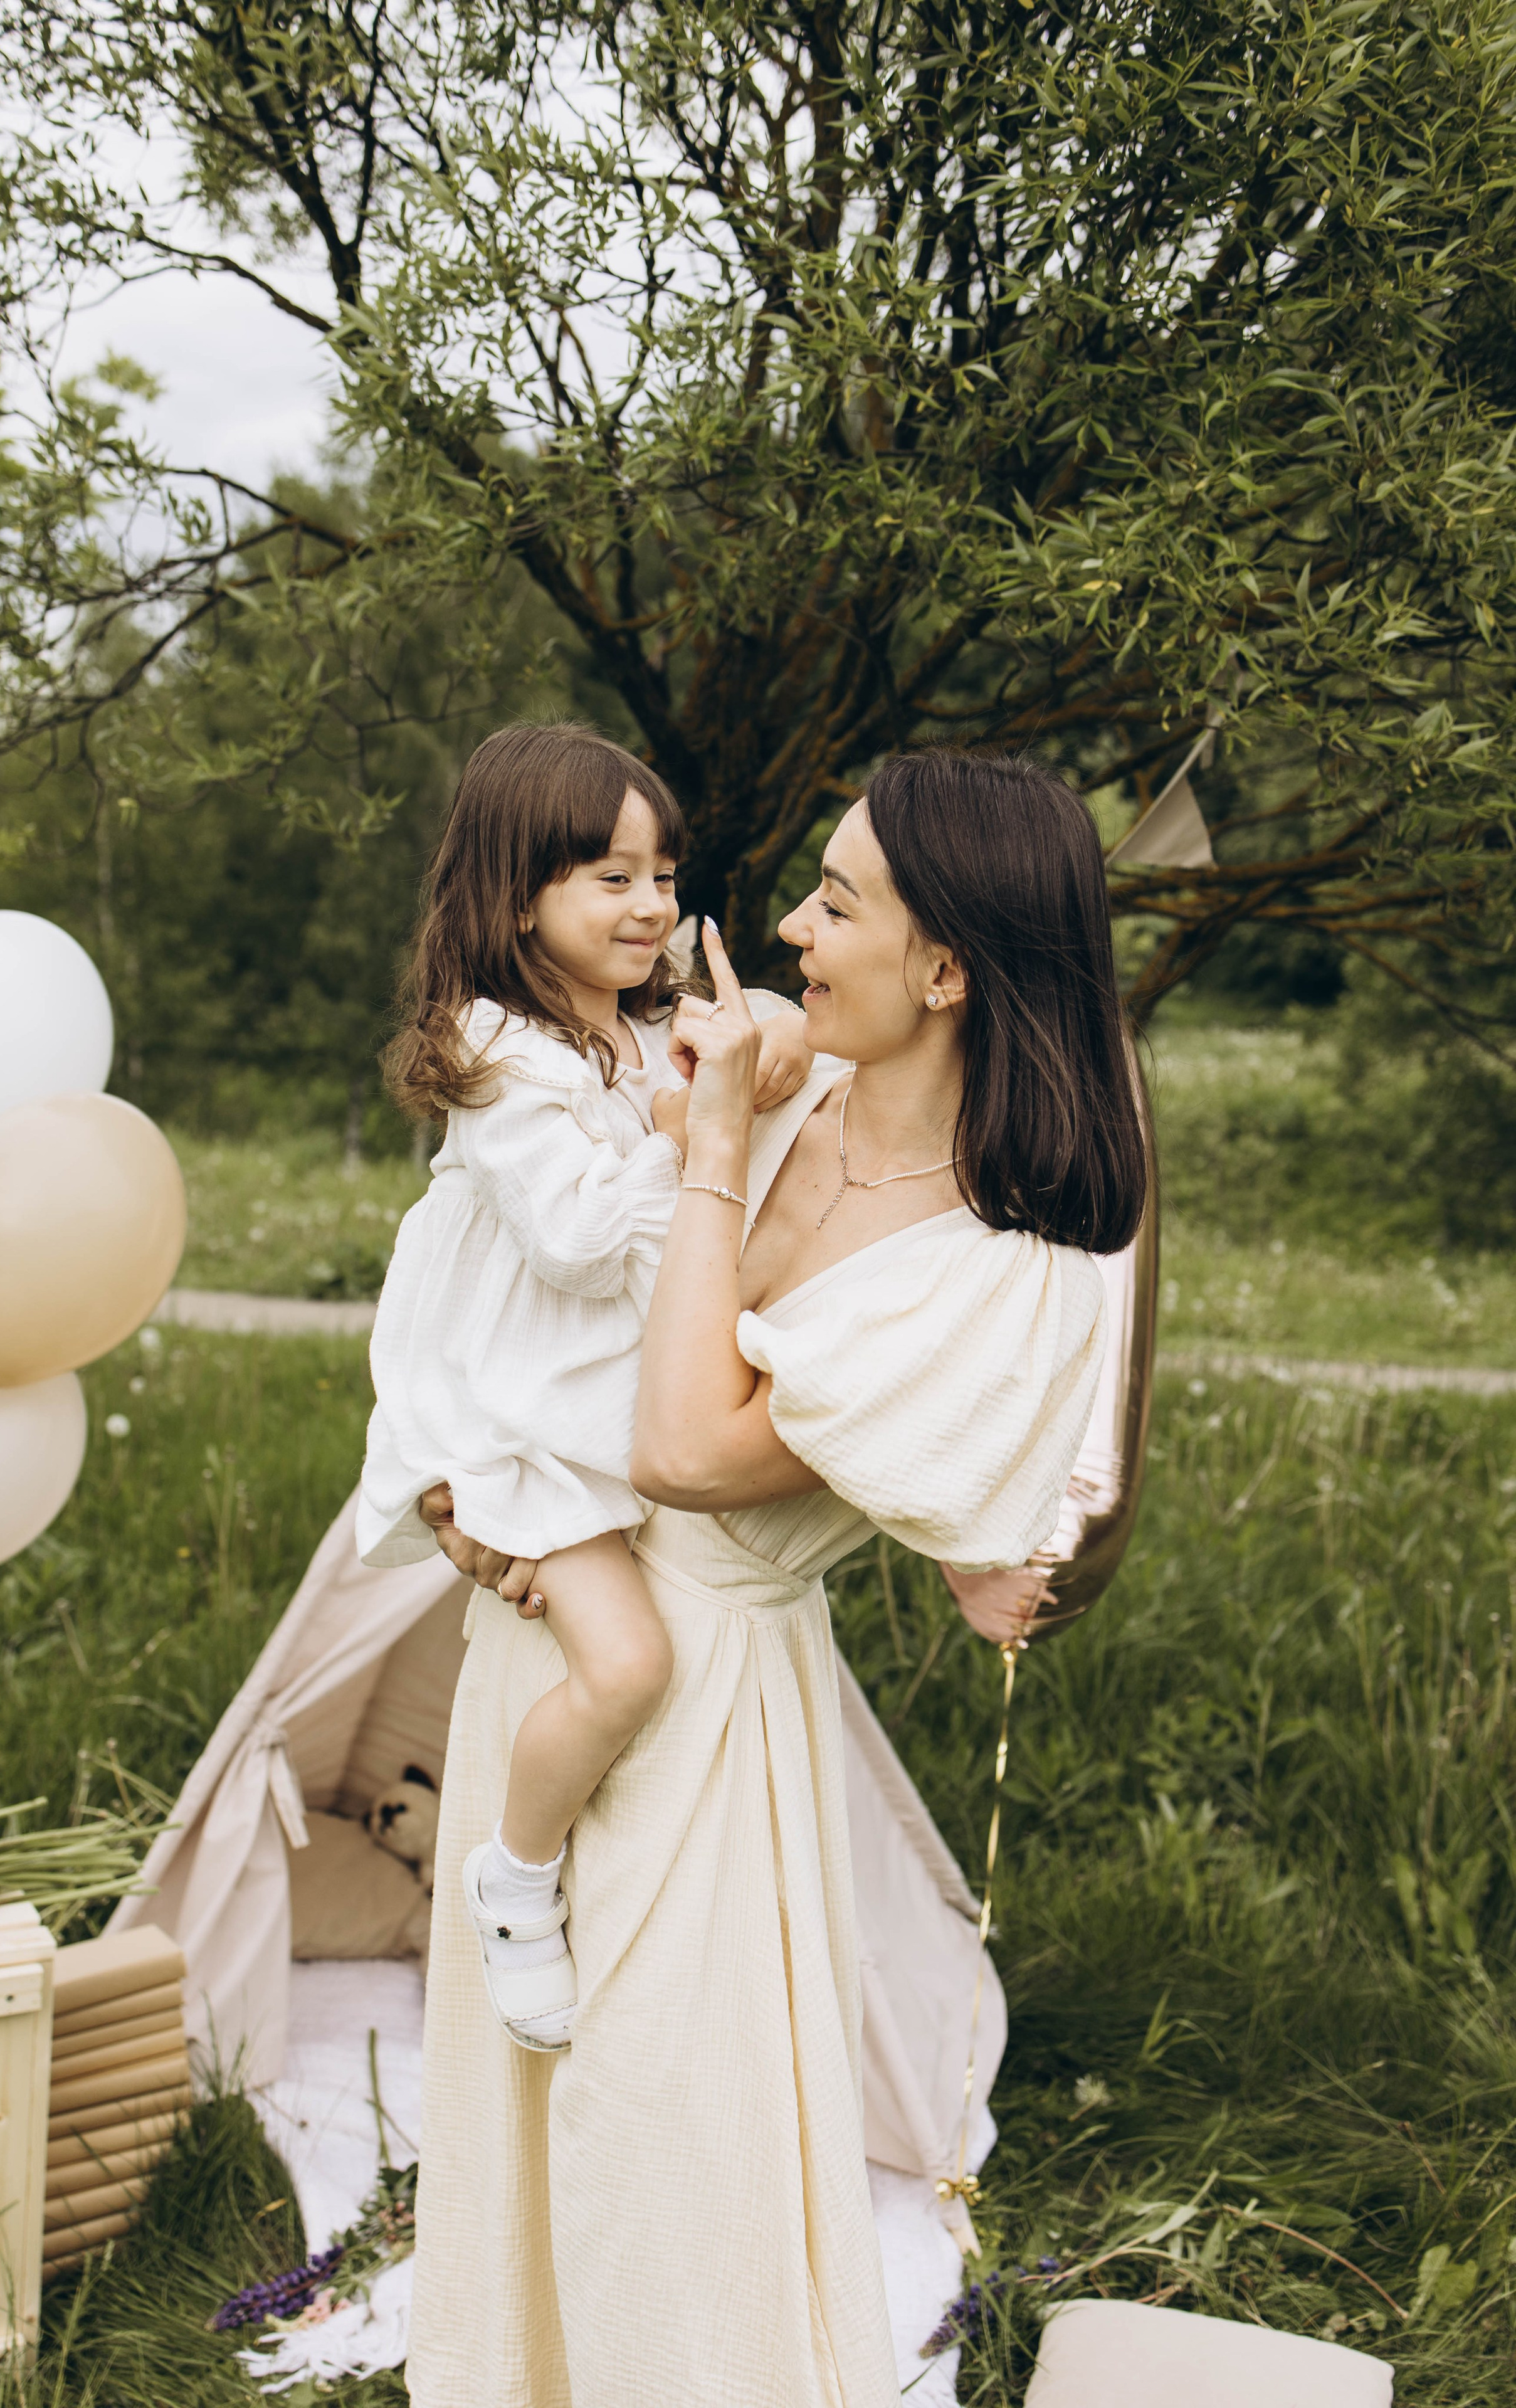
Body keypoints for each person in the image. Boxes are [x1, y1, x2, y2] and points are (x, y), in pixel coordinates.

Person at [408, 748, 1148, 2408]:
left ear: (944, 970)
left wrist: (714, 1148)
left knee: (667, 2159)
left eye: (837, 901)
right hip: (549, 1629)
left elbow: (681, 1445)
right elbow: (513, 1294)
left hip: (702, 1710)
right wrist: (464, 1492)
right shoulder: (794, 1095)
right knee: (524, 2134)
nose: (792, 931)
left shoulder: (998, 1261)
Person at [357, 722, 813, 2049]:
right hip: (517, 1420)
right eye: (611, 878)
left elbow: (762, 1035)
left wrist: (771, 1036)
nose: (652, 905)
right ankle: (515, 1874)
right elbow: (570, 1242)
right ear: (516, 897)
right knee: (627, 1667)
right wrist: (686, 1137)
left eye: (663, 875)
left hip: (606, 1406)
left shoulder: (642, 1023)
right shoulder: (500, 1052)